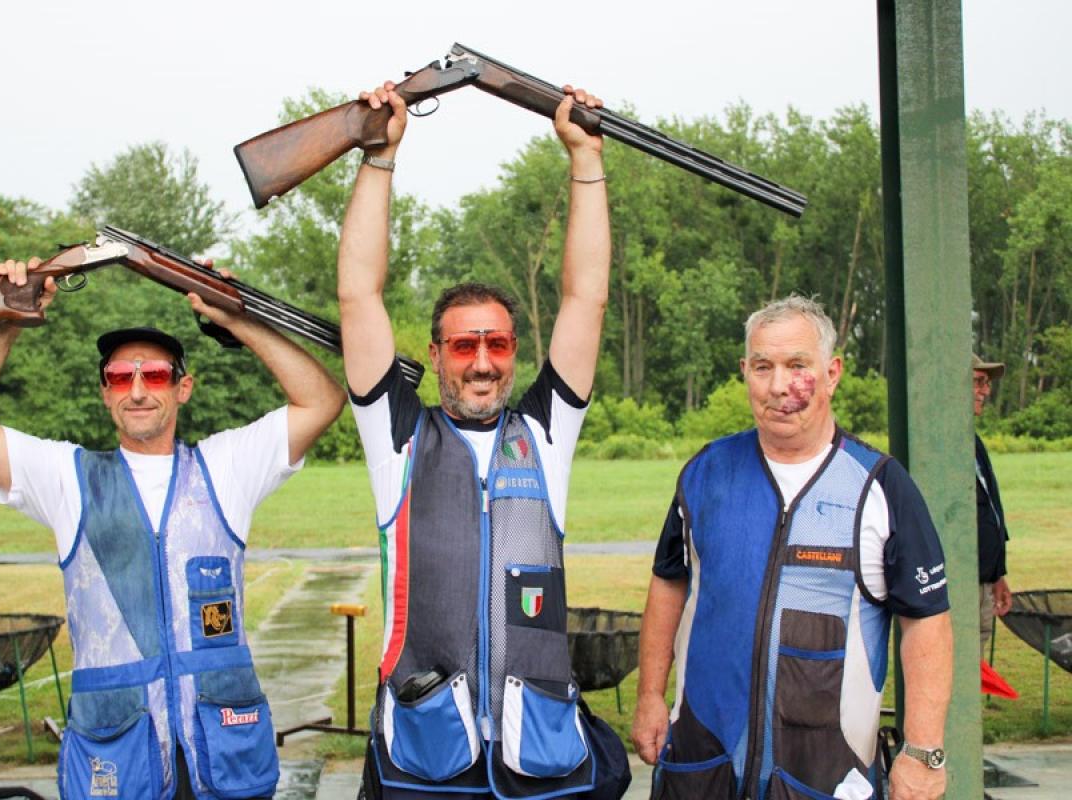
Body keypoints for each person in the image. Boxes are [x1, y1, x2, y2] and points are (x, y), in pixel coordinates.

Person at [0, 259, 345, 800]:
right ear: (105, 392)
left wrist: (236, 319)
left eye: (156, 375)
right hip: (119, 759)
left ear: (183, 387)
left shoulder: (225, 467)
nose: (139, 390)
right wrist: (10, 316)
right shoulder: (69, 478)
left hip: (222, 755)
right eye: (122, 377)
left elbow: (323, 399)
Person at [336, 81, 629, 800]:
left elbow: (586, 295)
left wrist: (585, 159)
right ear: (434, 355)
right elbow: (357, 293)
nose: (483, 360)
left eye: (497, 342)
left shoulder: (543, 433)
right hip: (425, 759)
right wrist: (380, 158)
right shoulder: (397, 436)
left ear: (514, 349)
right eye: (464, 344)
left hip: (540, 760)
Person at [631, 296, 953, 800]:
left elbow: (927, 621)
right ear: (745, 372)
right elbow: (669, 582)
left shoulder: (879, 486)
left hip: (824, 776)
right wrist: (650, 694)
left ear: (832, 372)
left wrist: (924, 751)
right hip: (702, 766)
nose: (779, 386)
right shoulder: (704, 474)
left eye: (797, 366)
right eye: (763, 367)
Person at [973, 353, 1011, 653]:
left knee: (974, 664)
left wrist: (997, 574)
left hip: (982, 580)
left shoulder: (971, 441)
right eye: (978, 382)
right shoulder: (942, 445)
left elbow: (990, 511)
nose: (986, 390)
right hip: (960, 584)